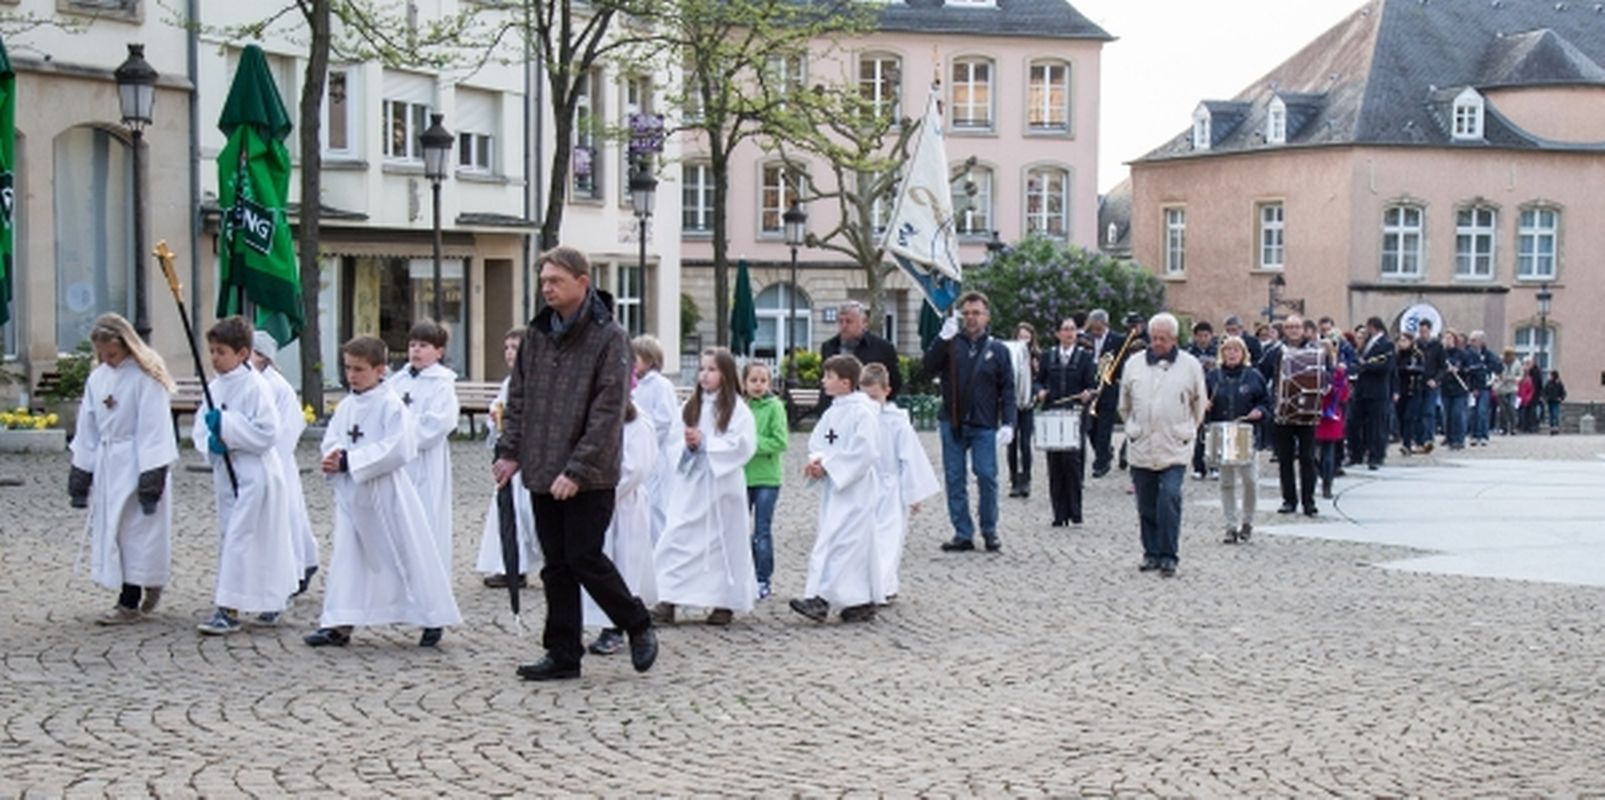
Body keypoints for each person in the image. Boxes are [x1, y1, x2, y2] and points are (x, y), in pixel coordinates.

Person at [493, 245, 657, 681]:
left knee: (585, 556)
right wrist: (510, 452)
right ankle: (563, 651)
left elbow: (608, 411)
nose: (546, 288)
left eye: (555, 281)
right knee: (556, 565)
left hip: (592, 471)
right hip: (542, 465)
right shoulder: (537, 335)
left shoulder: (610, 338)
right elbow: (519, 398)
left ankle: (636, 622)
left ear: (582, 283)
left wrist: (578, 470)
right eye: (543, 281)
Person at [305, 335, 461, 648]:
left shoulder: (391, 405)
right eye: (348, 368)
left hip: (387, 492)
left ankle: (431, 616)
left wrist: (353, 460)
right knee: (348, 557)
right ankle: (339, 622)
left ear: (379, 370)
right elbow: (334, 437)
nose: (352, 375)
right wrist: (334, 456)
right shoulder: (348, 405)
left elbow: (400, 447)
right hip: (353, 495)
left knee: (406, 552)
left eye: (359, 369)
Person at [69, 313, 180, 625]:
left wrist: (151, 477)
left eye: (113, 354)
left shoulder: (146, 378)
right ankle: (132, 589)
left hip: (137, 461)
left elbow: (155, 429)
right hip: (108, 463)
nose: (108, 361)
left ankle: (131, 598)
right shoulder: (98, 378)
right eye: (102, 355)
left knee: (137, 530)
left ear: (127, 346)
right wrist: (82, 472)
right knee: (115, 531)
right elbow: (87, 427)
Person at [191, 316, 299, 635]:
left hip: (255, 474)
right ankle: (268, 597)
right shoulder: (215, 386)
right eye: (211, 351)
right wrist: (210, 440)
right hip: (228, 472)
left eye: (220, 351)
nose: (214, 358)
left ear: (242, 353)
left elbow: (268, 432)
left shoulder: (256, 387)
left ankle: (229, 608)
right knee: (234, 536)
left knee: (244, 537)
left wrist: (226, 427)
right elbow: (202, 424)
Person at [650, 348, 758, 627]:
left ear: (725, 373)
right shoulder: (689, 407)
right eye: (701, 369)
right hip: (692, 483)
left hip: (722, 486)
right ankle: (669, 597)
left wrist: (708, 444)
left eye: (711, 369)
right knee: (678, 535)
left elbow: (743, 445)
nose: (704, 375)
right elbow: (673, 442)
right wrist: (688, 445)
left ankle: (724, 601)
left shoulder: (737, 409)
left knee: (723, 544)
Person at [791, 355, 883, 623]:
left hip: (855, 488)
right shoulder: (832, 411)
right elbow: (818, 442)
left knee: (845, 542)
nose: (823, 381)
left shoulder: (862, 412)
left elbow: (865, 451)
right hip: (836, 490)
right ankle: (858, 600)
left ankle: (823, 599)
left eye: (828, 377)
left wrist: (829, 466)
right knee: (836, 540)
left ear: (846, 382)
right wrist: (816, 462)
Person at [922, 292, 1016, 553]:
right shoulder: (951, 343)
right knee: (955, 479)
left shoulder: (998, 350)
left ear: (987, 316)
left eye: (977, 313)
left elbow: (1007, 389)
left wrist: (1008, 423)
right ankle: (963, 532)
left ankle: (989, 529)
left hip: (984, 423)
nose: (971, 318)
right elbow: (927, 368)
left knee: (987, 477)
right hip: (952, 421)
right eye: (967, 313)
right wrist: (942, 339)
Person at [1118, 313, 1207, 577]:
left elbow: (1198, 403)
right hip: (1142, 443)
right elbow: (1125, 404)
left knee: (1169, 497)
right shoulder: (1134, 364)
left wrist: (1188, 429)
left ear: (1174, 339)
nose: (1157, 343)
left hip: (1174, 445)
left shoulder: (1190, 365)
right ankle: (1151, 552)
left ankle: (1169, 554)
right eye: (1154, 337)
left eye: (1163, 339)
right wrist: (1133, 427)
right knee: (1145, 503)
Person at [583, 398, 659, 656]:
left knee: (623, 562)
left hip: (622, 502)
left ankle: (617, 625)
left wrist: (602, 491)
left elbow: (636, 466)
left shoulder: (637, 420)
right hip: (591, 499)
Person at [861, 362, 939, 600]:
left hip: (891, 485)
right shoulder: (860, 417)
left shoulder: (897, 422)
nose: (870, 403)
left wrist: (912, 494)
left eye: (874, 397)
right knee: (868, 537)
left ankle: (882, 585)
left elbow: (910, 458)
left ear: (886, 391)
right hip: (866, 485)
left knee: (889, 538)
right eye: (865, 397)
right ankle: (878, 583)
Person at [250, 331, 320, 596]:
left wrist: (269, 459)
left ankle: (299, 565)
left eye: (255, 353)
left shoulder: (277, 387)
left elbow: (289, 428)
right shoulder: (248, 383)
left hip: (275, 462)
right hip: (255, 462)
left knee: (288, 516)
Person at [388, 321, 460, 573]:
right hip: (397, 458)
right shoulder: (397, 380)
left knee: (425, 510)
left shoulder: (442, 383)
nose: (416, 350)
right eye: (412, 345)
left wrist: (406, 435)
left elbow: (441, 422)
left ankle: (427, 571)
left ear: (439, 352)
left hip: (425, 457)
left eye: (424, 346)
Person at [476, 328, 540, 590]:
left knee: (531, 513)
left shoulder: (536, 380)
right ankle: (512, 565)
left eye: (516, 347)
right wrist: (496, 418)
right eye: (507, 348)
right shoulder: (509, 382)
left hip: (529, 458)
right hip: (509, 458)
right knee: (509, 512)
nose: (510, 353)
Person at [1206, 335, 1270, 543]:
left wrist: (1259, 411)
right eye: (1228, 350)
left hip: (1245, 433)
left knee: (1250, 480)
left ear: (1243, 354)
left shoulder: (1253, 376)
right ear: (1222, 353)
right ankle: (1230, 526)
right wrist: (1204, 407)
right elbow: (1201, 403)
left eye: (1236, 350)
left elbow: (1266, 403)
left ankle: (1248, 521)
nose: (1231, 354)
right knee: (1226, 482)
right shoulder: (1213, 377)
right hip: (1222, 432)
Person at [1038, 317, 1097, 527]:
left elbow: (1092, 386)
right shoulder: (1048, 356)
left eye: (1072, 329)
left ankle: (1075, 511)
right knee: (1055, 464)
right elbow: (1039, 381)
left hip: (1074, 415)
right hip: (1053, 415)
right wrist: (1040, 391)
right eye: (1065, 329)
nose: (1070, 333)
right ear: (1058, 334)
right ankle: (1058, 513)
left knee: (1072, 464)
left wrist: (1087, 394)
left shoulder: (1084, 358)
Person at [1264, 315, 1324, 517]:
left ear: (1303, 329)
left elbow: (1327, 373)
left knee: (1308, 458)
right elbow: (1261, 372)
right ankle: (1289, 500)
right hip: (1283, 411)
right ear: (1284, 330)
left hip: (1307, 411)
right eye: (1289, 327)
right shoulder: (1275, 351)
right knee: (1285, 459)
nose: (1293, 330)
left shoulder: (1316, 351)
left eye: (1297, 327)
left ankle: (1309, 502)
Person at [742, 361, 789, 600]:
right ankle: (745, 575)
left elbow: (780, 441)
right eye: (753, 380)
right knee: (739, 529)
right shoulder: (741, 407)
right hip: (742, 477)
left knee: (762, 530)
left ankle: (763, 577)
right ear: (744, 383)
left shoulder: (775, 407)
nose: (758, 385)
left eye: (763, 381)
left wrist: (752, 444)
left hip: (767, 477)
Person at [632, 335, 681, 544]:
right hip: (635, 454)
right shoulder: (634, 386)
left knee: (656, 507)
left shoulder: (661, 385)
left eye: (636, 358)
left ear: (650, 360)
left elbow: (666, 420)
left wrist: (646, 439)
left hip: (656, 456)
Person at [816, 300, 901, 414]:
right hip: (834, 409)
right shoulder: (829, 346)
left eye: (849, 321)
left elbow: (895, 381)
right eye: (840, 321)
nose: (844, 326)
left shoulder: (883, 348)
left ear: (864, 323)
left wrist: (878, 401)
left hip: (869, 409)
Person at [1083, 309, 1125, 476]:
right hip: (1091, 387)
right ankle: (1105, 451)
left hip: (1108, 387)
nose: (1095, 332)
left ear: (1105, 325)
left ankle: (1101, 463)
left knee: (1105, 427)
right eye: (1093, 329)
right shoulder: (1085, 340)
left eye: (1098, 329)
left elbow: (1122, 362)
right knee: (1091, 427)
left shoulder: (1118, 340)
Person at [1350, 316, 1394, 469]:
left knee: (1377, 425)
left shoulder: (1386, 344)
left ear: (1372, 327)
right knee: (1355, 422)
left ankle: (1376, 456)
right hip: (1362, 389)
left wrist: (1366, 366)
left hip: (1377, 390)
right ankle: (1357, 454)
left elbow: (1386, 366)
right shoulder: (1367, 343)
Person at [1005, 322, 1041, 498]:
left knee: (1025, 443)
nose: (1024, 341)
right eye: (1021, 337)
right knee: (1011, 443)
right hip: (1011, 403)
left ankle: (1026, 479)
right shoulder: (1009, 354)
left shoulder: (1036, 356)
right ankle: (1013, 480)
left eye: (1027, 337)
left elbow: (1040, 380)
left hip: (1028, 403)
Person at [1316, 337, 1350, 499]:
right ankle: (1327, 486)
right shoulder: (1339, 373)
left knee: (1315, 451)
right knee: (1328, 451)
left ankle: (1321, 476)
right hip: (1332, 413)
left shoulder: (1313, 371)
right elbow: (1344, 396)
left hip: (1317, 412)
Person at [1187, 321, 1218, 479]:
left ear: (1211, 336)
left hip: (1215, 393)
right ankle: (1198, 466)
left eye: (1206, 336)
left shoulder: (1218, 351)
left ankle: (1215, 465)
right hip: (1196, 394)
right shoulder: (1189, 352)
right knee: (1198, 433)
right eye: (1200, 336)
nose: (1203, 339)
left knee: (1214, 432)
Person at [1413, 318, 1444, 453]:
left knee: (1429, 412)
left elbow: (1442, 366)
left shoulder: (1437, 346)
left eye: (1425, 331)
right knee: (1418, 412)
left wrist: (1436, 380)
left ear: (1430, 331)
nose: (1422, 334)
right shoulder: (1416, 345)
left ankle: (1428, 439)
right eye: (1420, 331)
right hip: (1418, 382)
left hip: (1431, 383)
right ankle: (1419, 440)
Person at [1464, 331, 1496, 446]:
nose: (1471, 343)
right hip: (1472, 387)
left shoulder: (1488, 354)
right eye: (1471, 340)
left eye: (1474, 340)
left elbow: (1496, 365)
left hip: (1484, 386)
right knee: (1472, 412)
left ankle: (1483, 435)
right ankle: (1474, 434)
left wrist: (1486, 369)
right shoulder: (1467, 354)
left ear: (1481, 342)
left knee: (1482, 411)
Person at [1395, 333, 1425, 454]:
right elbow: (1396, 370)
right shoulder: (1397, 356)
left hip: (1414, 390)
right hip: (1401, 390)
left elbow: (1421, 369)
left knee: (1409, 417)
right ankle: (1405, 439)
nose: (1402, 343)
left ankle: (1407, 443)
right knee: (1401, 417)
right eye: (1400, 341)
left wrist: (1409, 369)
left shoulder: (1417, 355)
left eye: (1404, 340)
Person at [1495, 347, 1521, 436]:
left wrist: (1515, 379)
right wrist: (1499, 378)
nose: (1510, 358)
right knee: (1503, 409)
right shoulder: (1500, 362)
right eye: (1508, 356)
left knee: (1511, 407)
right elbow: (1496, 373)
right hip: (1501, 388)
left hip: (1512, 388)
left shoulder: (1517, 363)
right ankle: (1503, 428)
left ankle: (1513, 427)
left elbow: (1520, 375)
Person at [1544, 370, 1567, 434]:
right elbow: (1545, 391)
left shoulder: (1559, 383)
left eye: (1551, 375)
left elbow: (1563, 392)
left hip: (1556, 401)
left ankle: (1556, 428)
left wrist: (1561, 398)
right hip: (1550, 401)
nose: (1550, 377)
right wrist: (1546, 398)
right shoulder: (1549, 383)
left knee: (1555, 414)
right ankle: (1552, 428)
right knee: (1551, 415)